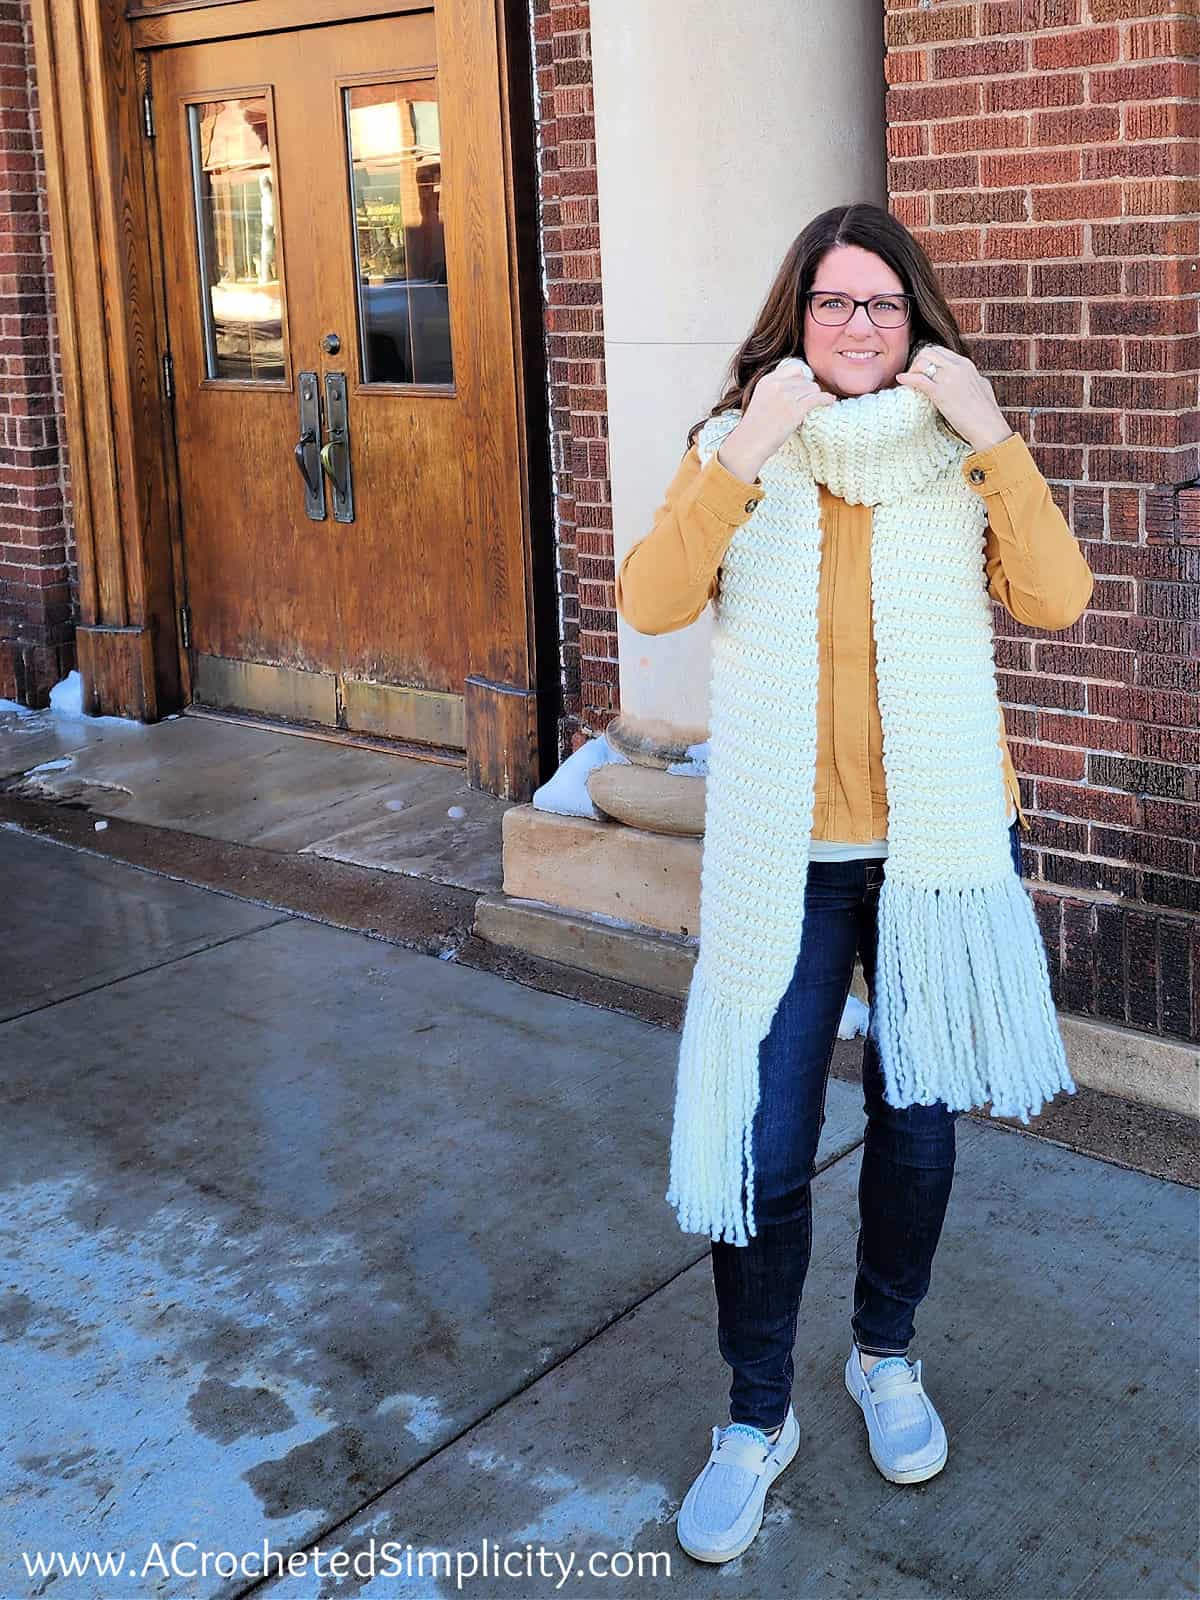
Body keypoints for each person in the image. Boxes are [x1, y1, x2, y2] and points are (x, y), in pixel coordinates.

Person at [614, 202, 1094, 1566]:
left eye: (883, 305)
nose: (860, 327)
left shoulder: (957, 451)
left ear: (917, 320)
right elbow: (651, 599)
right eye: (833, 304)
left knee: (919, 1131)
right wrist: (750, 446)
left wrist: (997, 433)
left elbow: (1057, 598)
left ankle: (886, 1354)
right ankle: (755, 1419)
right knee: (764, 1149)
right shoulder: (737, 449)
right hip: (790, 861)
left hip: (935, 852)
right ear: (796, 317)